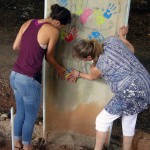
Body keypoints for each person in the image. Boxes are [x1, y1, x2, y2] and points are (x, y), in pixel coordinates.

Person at [69, 26, 150, 150]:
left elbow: (91, 77)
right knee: (129, 118)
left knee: (102, 120)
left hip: (130, 91)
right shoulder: (112, 40)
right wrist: (121, 36)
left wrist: (78, 73)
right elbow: (132, 50)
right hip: (146, 83)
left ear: (89, 58)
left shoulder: (98, 66)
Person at [10, 4, 71, 150]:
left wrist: (29, 53)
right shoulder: (53, 30)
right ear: (57, 22)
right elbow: (49, 57)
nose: (61, 29)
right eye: (63, 26)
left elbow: (15, 47)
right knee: (31, 115)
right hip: (29, 79)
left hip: (15, 75)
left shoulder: (29, 22)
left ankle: (17, 143)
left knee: (21, 112)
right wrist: (61, 69)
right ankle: (27, 146)